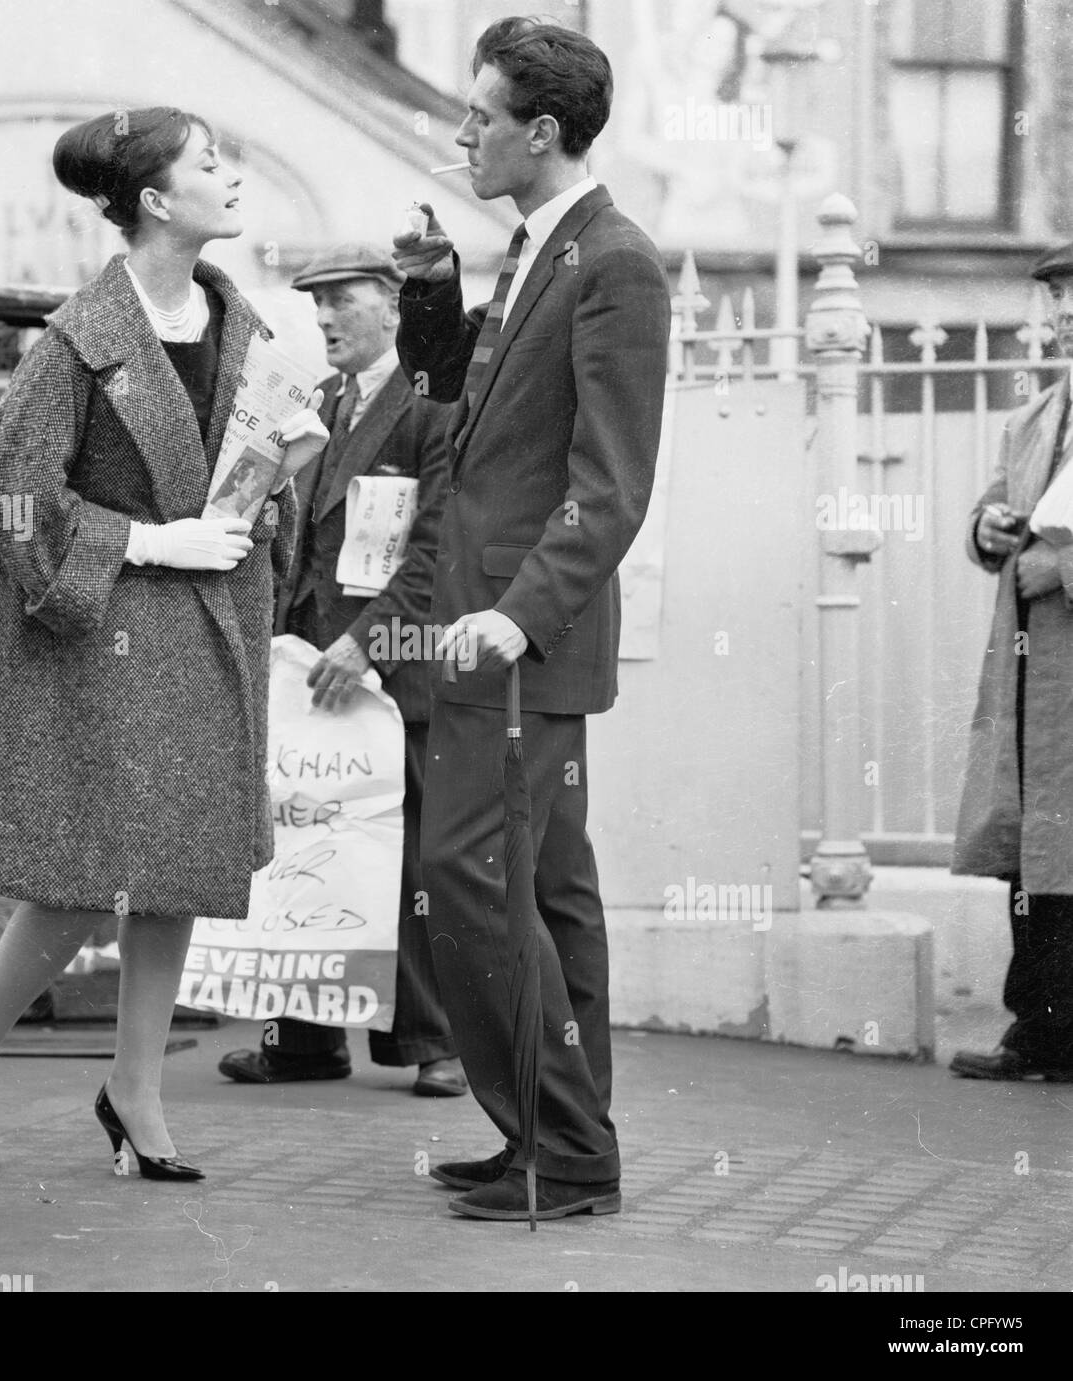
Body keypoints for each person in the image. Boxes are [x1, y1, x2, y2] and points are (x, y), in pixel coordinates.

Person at [0, 107, 328, 1179]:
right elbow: (7, 499)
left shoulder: (244, 330)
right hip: (108, 638)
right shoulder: (79, 339)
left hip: (210, 635)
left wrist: (260, 500)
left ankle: (135, 1089)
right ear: (152, 200)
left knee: (174, 865)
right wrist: (147, 540)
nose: (232, 179)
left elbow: (246, 503)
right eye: (208, 166)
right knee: (89, 876)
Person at [392, 17, 669, 1220]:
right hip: (488, 631)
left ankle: (560, 1147)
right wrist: (432, 290)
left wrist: (516, 616)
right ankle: (558, 1146)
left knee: (473, 881)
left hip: (512, 640)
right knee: (549, 896)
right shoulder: (532, 250)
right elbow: (457, 406)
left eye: (480, 115)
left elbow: (610, 483)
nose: (462, 133)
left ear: (540, 129)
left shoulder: (613, 261)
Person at [218, 244, 465, 1096]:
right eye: (315, 304)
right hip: (309, 663)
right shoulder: (321, 399)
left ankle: (436, 1045)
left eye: (342, 301)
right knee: (303, 840)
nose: (323, 319)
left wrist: (370, 641)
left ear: (395, 304)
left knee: (408, 854)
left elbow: (438, 542)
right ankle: (302, 1039)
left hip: (390, 665)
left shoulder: (435, 400)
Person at [950, 240, 1073, 1083]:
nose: (1064, 313)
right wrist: (987, 529)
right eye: (1059, 299)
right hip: (1036, 677)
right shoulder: (1035, 418)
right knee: (1033, 850)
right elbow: (998, 503)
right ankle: (1036, 1030)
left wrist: (1063, 566)